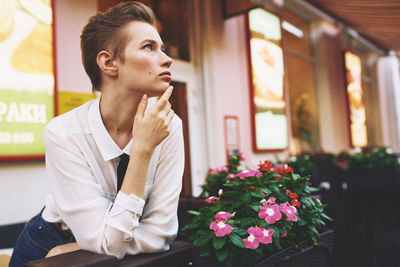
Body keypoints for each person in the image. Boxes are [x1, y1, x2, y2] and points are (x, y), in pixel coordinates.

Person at [9, 2, 184, 266]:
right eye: (149, 47)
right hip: (48, 246)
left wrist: (90, 245)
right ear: (108, 62)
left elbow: (161, 234)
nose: (167, 58)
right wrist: (143, 149)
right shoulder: (64, 133)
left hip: (78, 248)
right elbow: (125, 239)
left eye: (162, 47)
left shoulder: (170, 126)